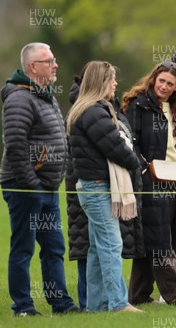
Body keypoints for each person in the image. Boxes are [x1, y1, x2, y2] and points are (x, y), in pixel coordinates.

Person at [1, 42, 80, 316]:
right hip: (25, 187)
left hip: (46, 187)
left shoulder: (44, 94)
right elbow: (14, 145)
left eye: (55, 60)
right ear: (33, 67)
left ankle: (61, 305)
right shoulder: (20, 98)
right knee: (23, 249)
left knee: (54, 247)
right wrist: (30, 185)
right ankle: (23, 307)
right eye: (49, 61)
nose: (55, 64)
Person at [66, 63, 145, 311]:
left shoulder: (89, 109)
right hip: (98, 187)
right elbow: (114, 147)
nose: (115, 85)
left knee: (96, 250)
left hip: (94, 187)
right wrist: (137, 162)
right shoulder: (94, 112)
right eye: (112, 80)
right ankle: (119, 303)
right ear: (102, 82)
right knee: (111, 244)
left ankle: (96, 305)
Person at [121, 61, 176, 306]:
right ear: (153, 78)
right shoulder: (138, 104)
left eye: (170, 84)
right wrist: (144, 169)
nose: (163, 87)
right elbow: (129, 142)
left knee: (160, 236)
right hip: (151, 181)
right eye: (161, 81)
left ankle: (139, 295)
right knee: (160, 237)